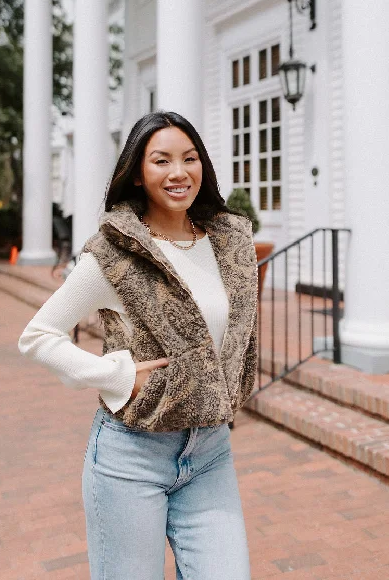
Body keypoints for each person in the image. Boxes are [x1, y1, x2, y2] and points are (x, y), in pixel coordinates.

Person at [18, 111, 258, 580]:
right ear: (137, 173)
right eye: (161, 160)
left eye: (189, 159)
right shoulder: (113, 253)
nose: (178, 172)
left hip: (210, 451)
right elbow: (38, 336)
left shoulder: (228, 241)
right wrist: (117, 374)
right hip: (130, 456)